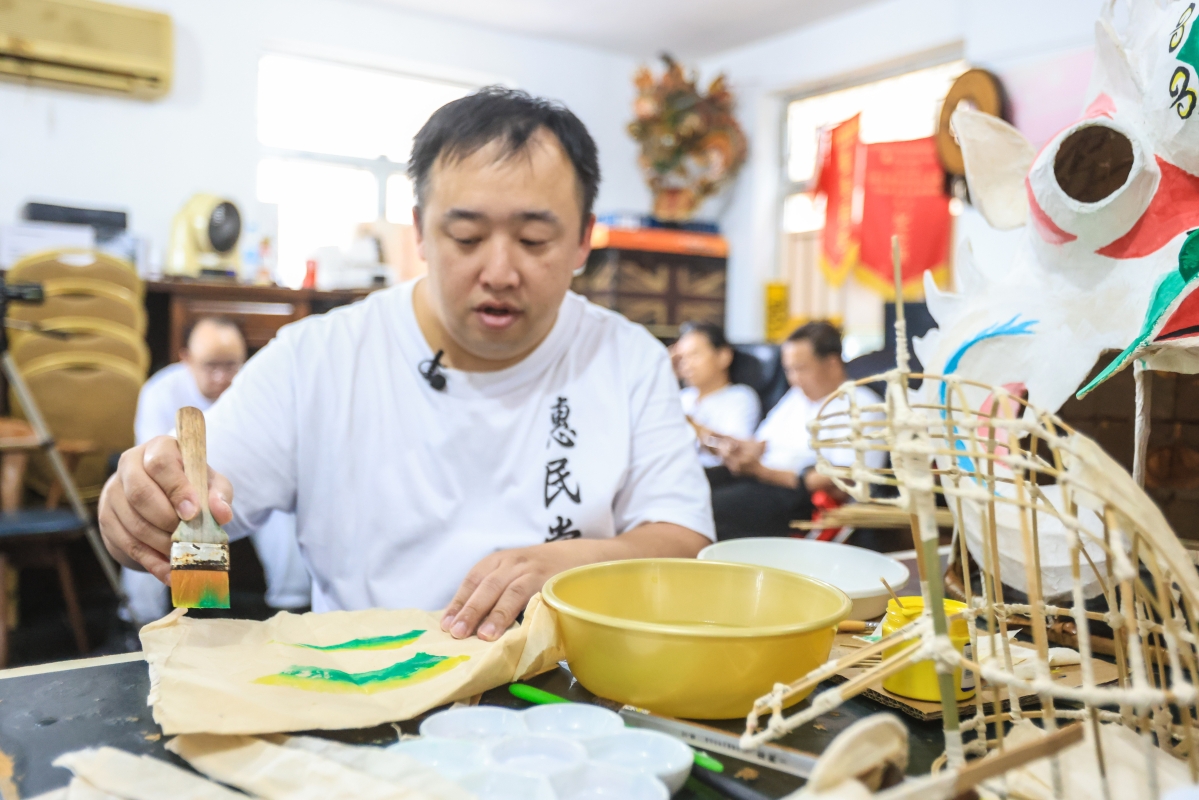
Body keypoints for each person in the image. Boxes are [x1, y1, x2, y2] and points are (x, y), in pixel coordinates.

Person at [99, 87, 714, 642]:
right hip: (363, 691)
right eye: (467, 237)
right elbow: (196, 504)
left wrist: (569, 564)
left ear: (584, 238)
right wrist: (139, 506)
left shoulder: (627, 357)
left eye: (533, 241)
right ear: (420, 231)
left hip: (568, 693)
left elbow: (685, 542)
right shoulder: (318, 358)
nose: (499, 272)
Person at [121, 317, 311, 625]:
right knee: (143, 517)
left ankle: (292, 612)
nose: (222, 377)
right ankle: (139, 621)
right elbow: (148, 466)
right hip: (181, 493)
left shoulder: (256, 391)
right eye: (210, 366)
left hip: (243, 486)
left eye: (231, 365)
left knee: (283, 513)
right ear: (186, 358)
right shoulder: (160, 392)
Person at [709, 321, 883, 540]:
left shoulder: (863, 406)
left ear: (832, 364)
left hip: (801, 497)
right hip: (763, 477)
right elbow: (762, 443)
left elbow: (841, 480)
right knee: (698, 485)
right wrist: (731, 447)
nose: (793, 378)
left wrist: (763, 472)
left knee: (712, 508)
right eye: (788, 370)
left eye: (801, 369)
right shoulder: (797, 397)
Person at [674, 322, 760, 484]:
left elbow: (737, 450)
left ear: (723, 356)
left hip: (715, 479)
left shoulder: (739, 397)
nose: (686, 365)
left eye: (695, 355)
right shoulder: (682, 397)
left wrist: (693, 426)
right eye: (682, 358)